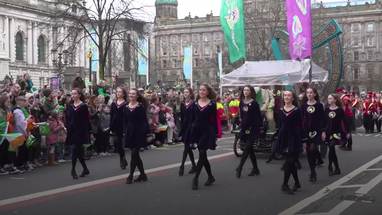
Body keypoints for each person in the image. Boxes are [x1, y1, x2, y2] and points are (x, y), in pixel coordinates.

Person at [191, 83, 217, 190]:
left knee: (202, 153)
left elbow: (214, 120)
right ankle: (210, 177)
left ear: (208, 92)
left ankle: (195, 178)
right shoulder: (195, 104)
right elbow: (192, 119)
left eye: (204, 90)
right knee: (203, 156)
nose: (201, 92)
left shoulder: (212, 104)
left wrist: (215, 135)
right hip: (197, 131)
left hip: (207, 131)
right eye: (200, 90)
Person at [277, 91, 302, 194]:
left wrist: (302, 140)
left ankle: (284, 184)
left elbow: (300, 125)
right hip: (284, 138)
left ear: (293, 98)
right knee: (290, 162)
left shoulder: (297, 110)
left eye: (289, 95)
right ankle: (296, 182)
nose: (287, 97)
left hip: (294, 138)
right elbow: (279, 124)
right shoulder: (281, 110)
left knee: (290, 162)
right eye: (285, 95)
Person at [124, 89, 150, 184]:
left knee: (134, 154)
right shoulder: (126, 107)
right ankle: (143, 175)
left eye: (133, 94)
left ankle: (130, 175)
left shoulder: (140, 107)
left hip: (139, 133)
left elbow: (144, 121)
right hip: (130, 133)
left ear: (137, 96)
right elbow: (125, 121)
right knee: (136, 156)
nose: (131, 95)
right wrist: (125, 131)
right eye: (130, 93)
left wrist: (146, 132)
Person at [236, 85, 262, 178]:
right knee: (250, 150)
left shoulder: (254, 103)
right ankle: (256, 169)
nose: (245, 91)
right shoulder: (241, 102)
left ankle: (240, 167)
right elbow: (242, 116)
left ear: (251, 92)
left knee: (247, 148)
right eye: (244, 90)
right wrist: (241, 124)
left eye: (248, 90)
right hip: (244, 128)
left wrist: (255, 127)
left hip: (253, 128)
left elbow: (258, 117)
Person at [301, 87, 325, 183]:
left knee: (313, 149)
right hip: (306, 131)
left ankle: (313, 169)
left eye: (311, 93)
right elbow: (301, 119)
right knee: (308, 152)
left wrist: (323, 131)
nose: (309, 94)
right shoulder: (303, 106)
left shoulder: (319, 105)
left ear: (315, 94)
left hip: (316, 131)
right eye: (308, 93)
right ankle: (312, 171)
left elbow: (322, 119)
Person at [66, 88, 90, 179]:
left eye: (75, 94)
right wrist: (68, 127)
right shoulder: (70, 105)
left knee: (74, 150)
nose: (73, 96)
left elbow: (86, 120)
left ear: (79, 95)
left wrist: (86, 132)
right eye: (72, 94)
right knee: (78, 152)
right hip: (72, 131)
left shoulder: (83, 106)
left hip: (80, 132)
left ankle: (73, 170)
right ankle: (85, 168)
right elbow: (68, 118)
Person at [323, 94, 347, 176]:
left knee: (331, 148)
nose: (328, 100)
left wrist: (347, 133)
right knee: (332, 150)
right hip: (328, 133)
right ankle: (337, 168)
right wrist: (323, 131)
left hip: (336, 133)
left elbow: (344, 122)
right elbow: (324, 122)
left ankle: (330, 167)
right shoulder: (326, 110)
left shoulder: (340, 110)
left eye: (330, 98)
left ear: (335, 100)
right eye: (328, 98)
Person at [178, 88, 197, 176]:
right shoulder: (182, 104)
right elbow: (182, 117)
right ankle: (194, 166)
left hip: (191, 128)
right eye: (184, 92)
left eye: (187, 92)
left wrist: (194, 127)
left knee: (186, 148)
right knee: (188, 148)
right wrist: (181, 130)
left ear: (190, 93)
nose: (185, 94)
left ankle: (182, 166)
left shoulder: (193, 104)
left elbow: (195, 117)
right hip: (185, 128)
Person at [110, 87, 128, 170]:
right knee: (117, 142)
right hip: (115, 125)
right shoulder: (114, 104)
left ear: (123, 94)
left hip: (123, 126)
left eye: (120, 92)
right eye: (117, 92)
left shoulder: (126, 104)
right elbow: (111, 115)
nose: (118, 93)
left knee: (121, 143)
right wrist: (111, 126)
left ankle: (122, 159)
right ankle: (122, 156)